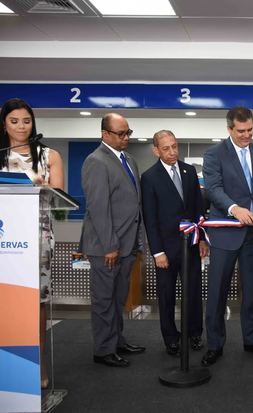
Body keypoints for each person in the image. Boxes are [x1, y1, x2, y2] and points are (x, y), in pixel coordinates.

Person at [201, 107, 253, 366]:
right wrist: (234, 209)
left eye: (250, 130)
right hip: (224, 234)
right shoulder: (214, 154)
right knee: (217, 292)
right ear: (229, 129)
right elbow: (212, 189)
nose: (247, 135)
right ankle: (214, 344)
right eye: (241, 131)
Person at [1, 98, 64, 388]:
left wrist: (43, 186)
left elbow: (62, 208)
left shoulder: (49, 156)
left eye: (26, 120)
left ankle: (35, 370)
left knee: (34, 304)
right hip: (4, 237)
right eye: (14, 121)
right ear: (4, 123)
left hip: (37, 239)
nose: (21, 126)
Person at [80, 113, 146, 368]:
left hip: (127, 245)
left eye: (128, 132)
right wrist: (110, 246)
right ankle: (103, 350)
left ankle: (117, 340)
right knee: (104, 300)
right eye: (121, 133)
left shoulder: (129, 160)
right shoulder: (96, 161)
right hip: (106, 247)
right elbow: (98, 208)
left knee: (118, 299)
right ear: (104, 134)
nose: (126, 137)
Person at [141, 130, 209, 355]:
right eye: (166, 148)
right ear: (156, 151)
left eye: (174, 146)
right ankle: (171, 338)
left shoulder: (190, 172)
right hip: (166, 250)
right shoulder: (149, 177)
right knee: (167, 295)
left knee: (193, 293)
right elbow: (150, 218)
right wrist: (157, 252)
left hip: (191, 245)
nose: (172, 152)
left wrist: (202, 239)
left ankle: (194, 334)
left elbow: (198, 208)